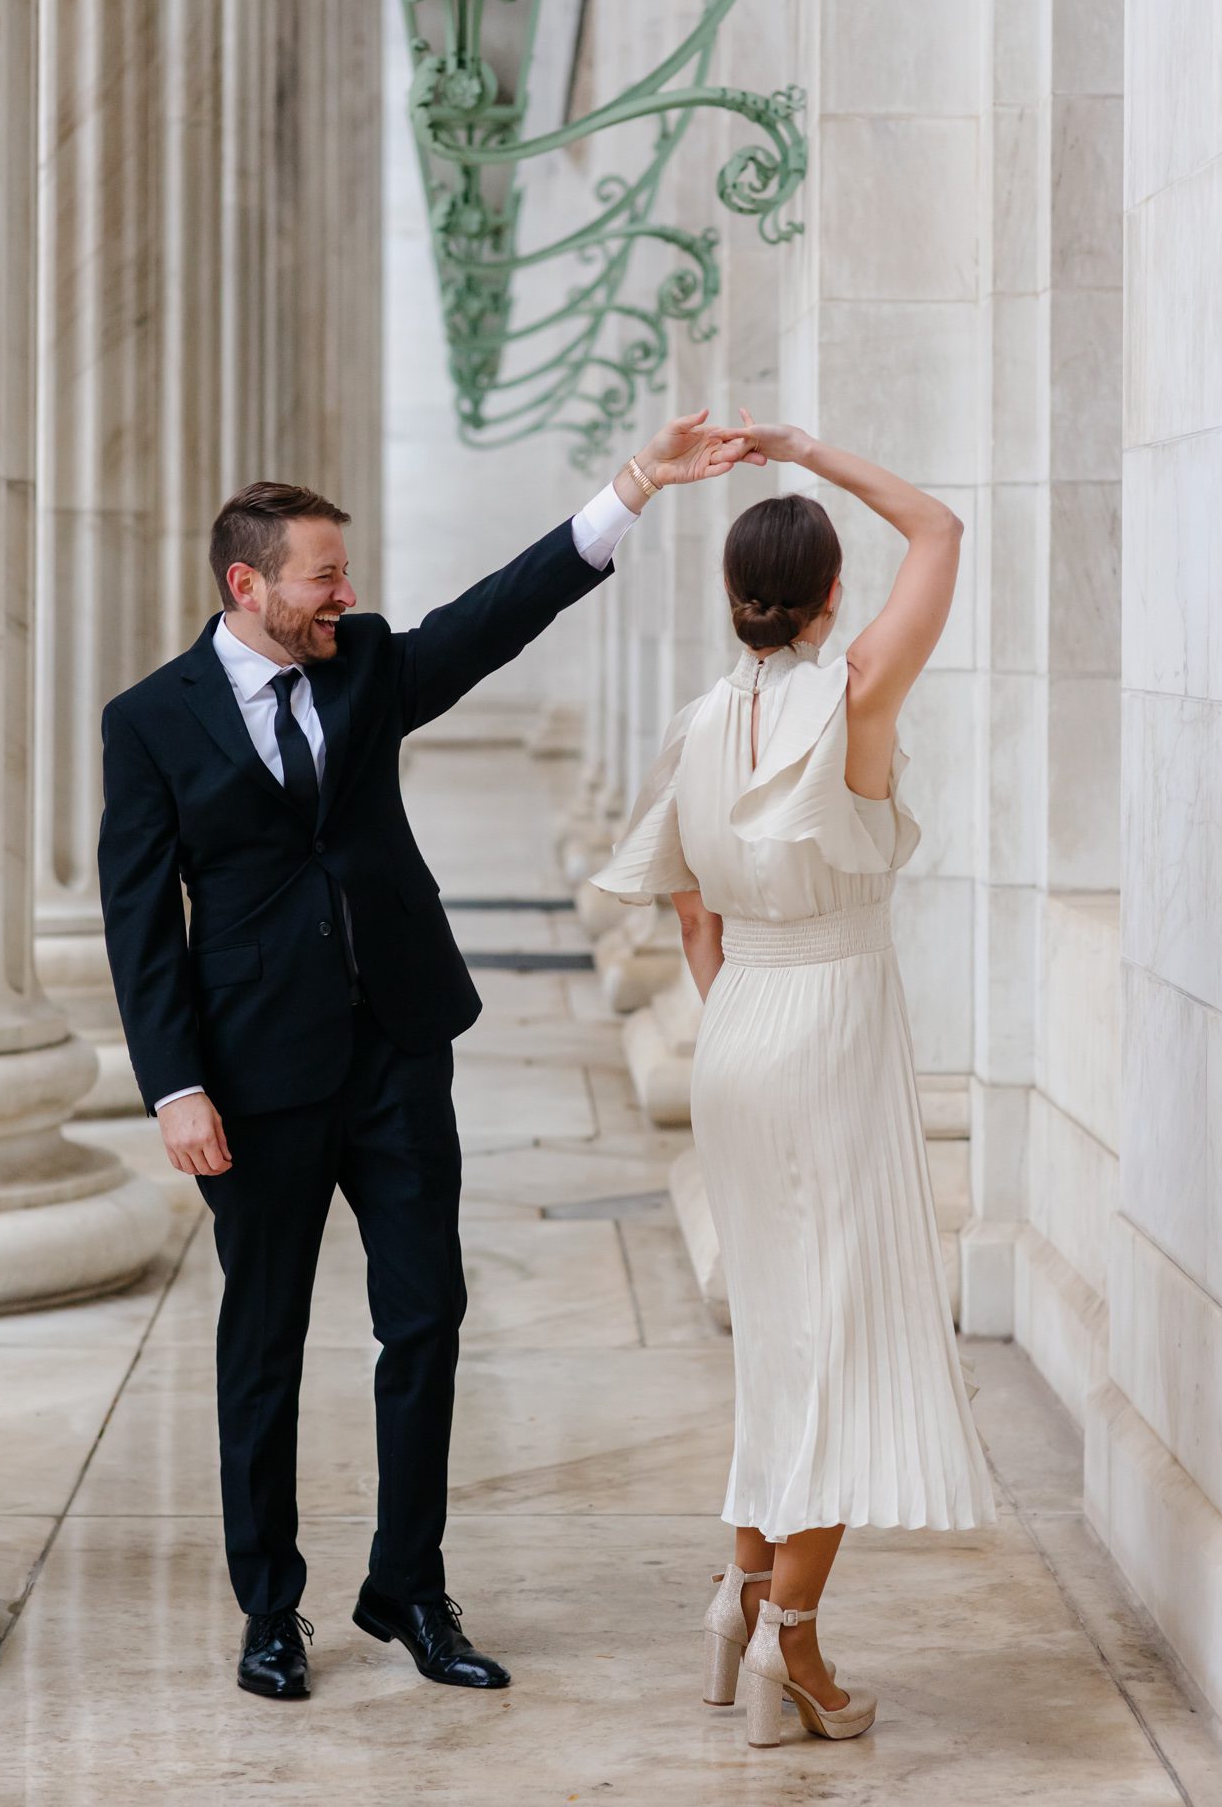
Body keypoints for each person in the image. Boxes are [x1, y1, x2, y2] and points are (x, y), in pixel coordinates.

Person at [97, 411, 745, 1702]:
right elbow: (137, 918)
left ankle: (408, 1587)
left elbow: (496, 614)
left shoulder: (366, 664)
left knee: (428, 1322)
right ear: (248, 586)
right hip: (252, 1079)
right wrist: (174, 1087)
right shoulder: (150, 722)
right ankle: (268, 1608)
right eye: (322, 578)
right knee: (263, 1345)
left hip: (397, 1049)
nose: (347, 595)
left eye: (346, 575)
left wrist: (627, 491)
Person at [590, 412, 996, 1750]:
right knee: (837, 1346)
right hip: (831, 1023)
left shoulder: (705, 720)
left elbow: (690, 917)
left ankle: (738, 1599)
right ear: (830, 596)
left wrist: (749, 1015)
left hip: (743, 1025)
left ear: (730, 601)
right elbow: (937, 528)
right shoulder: (857, 691)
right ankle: (792, 1647)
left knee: (782, 1338)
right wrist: (808, 452)